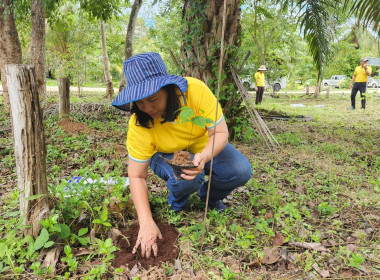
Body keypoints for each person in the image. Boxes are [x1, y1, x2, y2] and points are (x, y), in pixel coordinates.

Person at [112, 52, 252, 259]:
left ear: (168, 89)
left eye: (153, 99)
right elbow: (137, 176)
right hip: (164, 153)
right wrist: (146, 222)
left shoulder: (195, 92)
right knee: (187, 177)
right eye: (140, 103)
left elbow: (221, 132)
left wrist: (203, 156)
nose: (147, 108)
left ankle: (208, 198)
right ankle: (177, 204)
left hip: (202, 144)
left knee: (240, 171)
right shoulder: (139, 123)